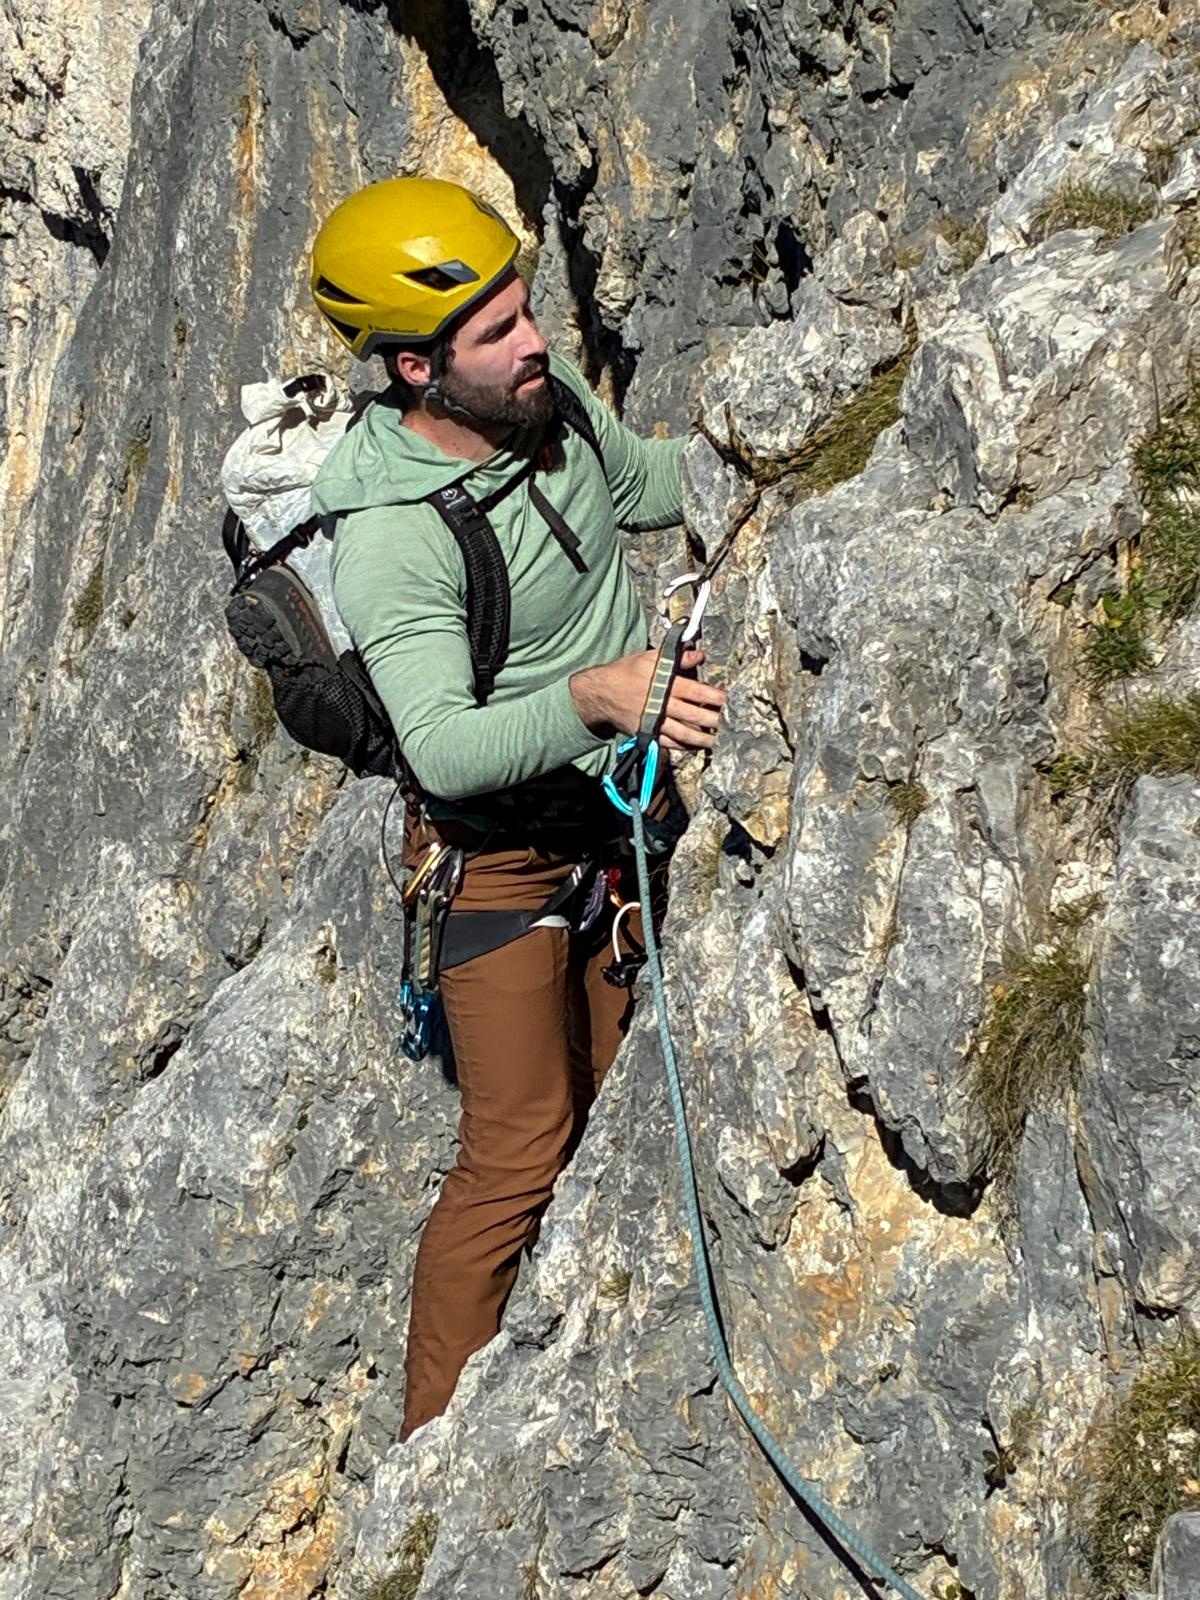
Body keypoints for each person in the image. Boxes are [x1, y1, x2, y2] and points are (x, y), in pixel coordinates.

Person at [307, 176, 726, 1439]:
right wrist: (599, 698)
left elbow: (645, 486)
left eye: (525, 309)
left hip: (615, 820)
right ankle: (429, 1455)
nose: (533, 339)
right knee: (521, 1144)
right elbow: (439, 747)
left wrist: (785, 428)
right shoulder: (395, 537)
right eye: (494, 332)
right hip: (494, 860)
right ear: (416, 369)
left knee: (610, 1094)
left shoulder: (542, 405)